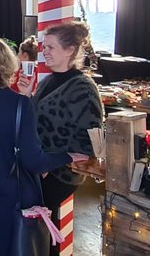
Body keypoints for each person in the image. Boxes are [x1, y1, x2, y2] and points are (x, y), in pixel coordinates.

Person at [0, 37, 88, 256]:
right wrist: (67, 156)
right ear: (8, 66)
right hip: (4, 201)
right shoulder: (19, 104)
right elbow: (34, 160)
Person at [35, 22, 104, 255]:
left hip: (58, 174)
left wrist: (52, 165)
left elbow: (89, 141)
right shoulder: (48, 81)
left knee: (44, 228)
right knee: (41, 227)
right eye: (44, 47)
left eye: (51, 47)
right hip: (39, 167)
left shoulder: (83, 88)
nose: (44, 51)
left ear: (69, 50)